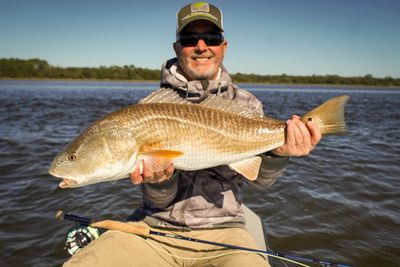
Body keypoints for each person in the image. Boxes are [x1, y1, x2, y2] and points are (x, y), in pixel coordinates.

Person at [64, 2, 321, 267]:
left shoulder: (246, 103)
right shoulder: (148, 107)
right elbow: (159, 198)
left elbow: (260, 180)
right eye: (189, 39)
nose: (201, 46)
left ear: (223, 46)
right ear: (177, 48)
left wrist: (279, 153)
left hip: (227, 232)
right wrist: (160, 181)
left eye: (211, 38)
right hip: (154, 228)